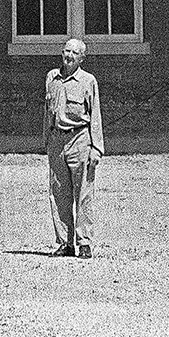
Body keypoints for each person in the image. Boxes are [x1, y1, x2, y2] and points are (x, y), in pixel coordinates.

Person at [43, 36, 105, 257]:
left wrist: (97, 148)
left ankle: (84, 241)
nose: (68, 56)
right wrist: (47, 142)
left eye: (74, 53)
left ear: (82, 58)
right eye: (66, 51)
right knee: (59, 193)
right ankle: (65, 243)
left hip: (80, 140)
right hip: (57, 141)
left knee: (83, 193)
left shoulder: (88, 81)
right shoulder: (52, 78)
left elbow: (95, 115)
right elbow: (47, 113)